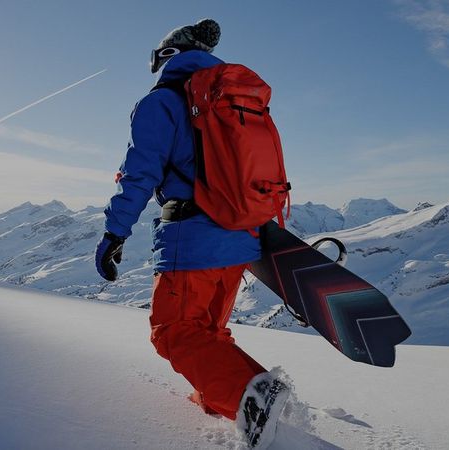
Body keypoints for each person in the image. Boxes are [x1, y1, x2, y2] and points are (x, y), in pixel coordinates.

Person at [95, 19, 289, 449]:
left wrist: (115, 232)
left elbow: (139, 174)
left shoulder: (162, 102)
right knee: (208, 332)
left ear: (166, 56)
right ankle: (223, 397)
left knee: (174, 332)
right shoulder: (229, 99)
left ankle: (252, 397)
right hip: (240, 235)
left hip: (194, 236)